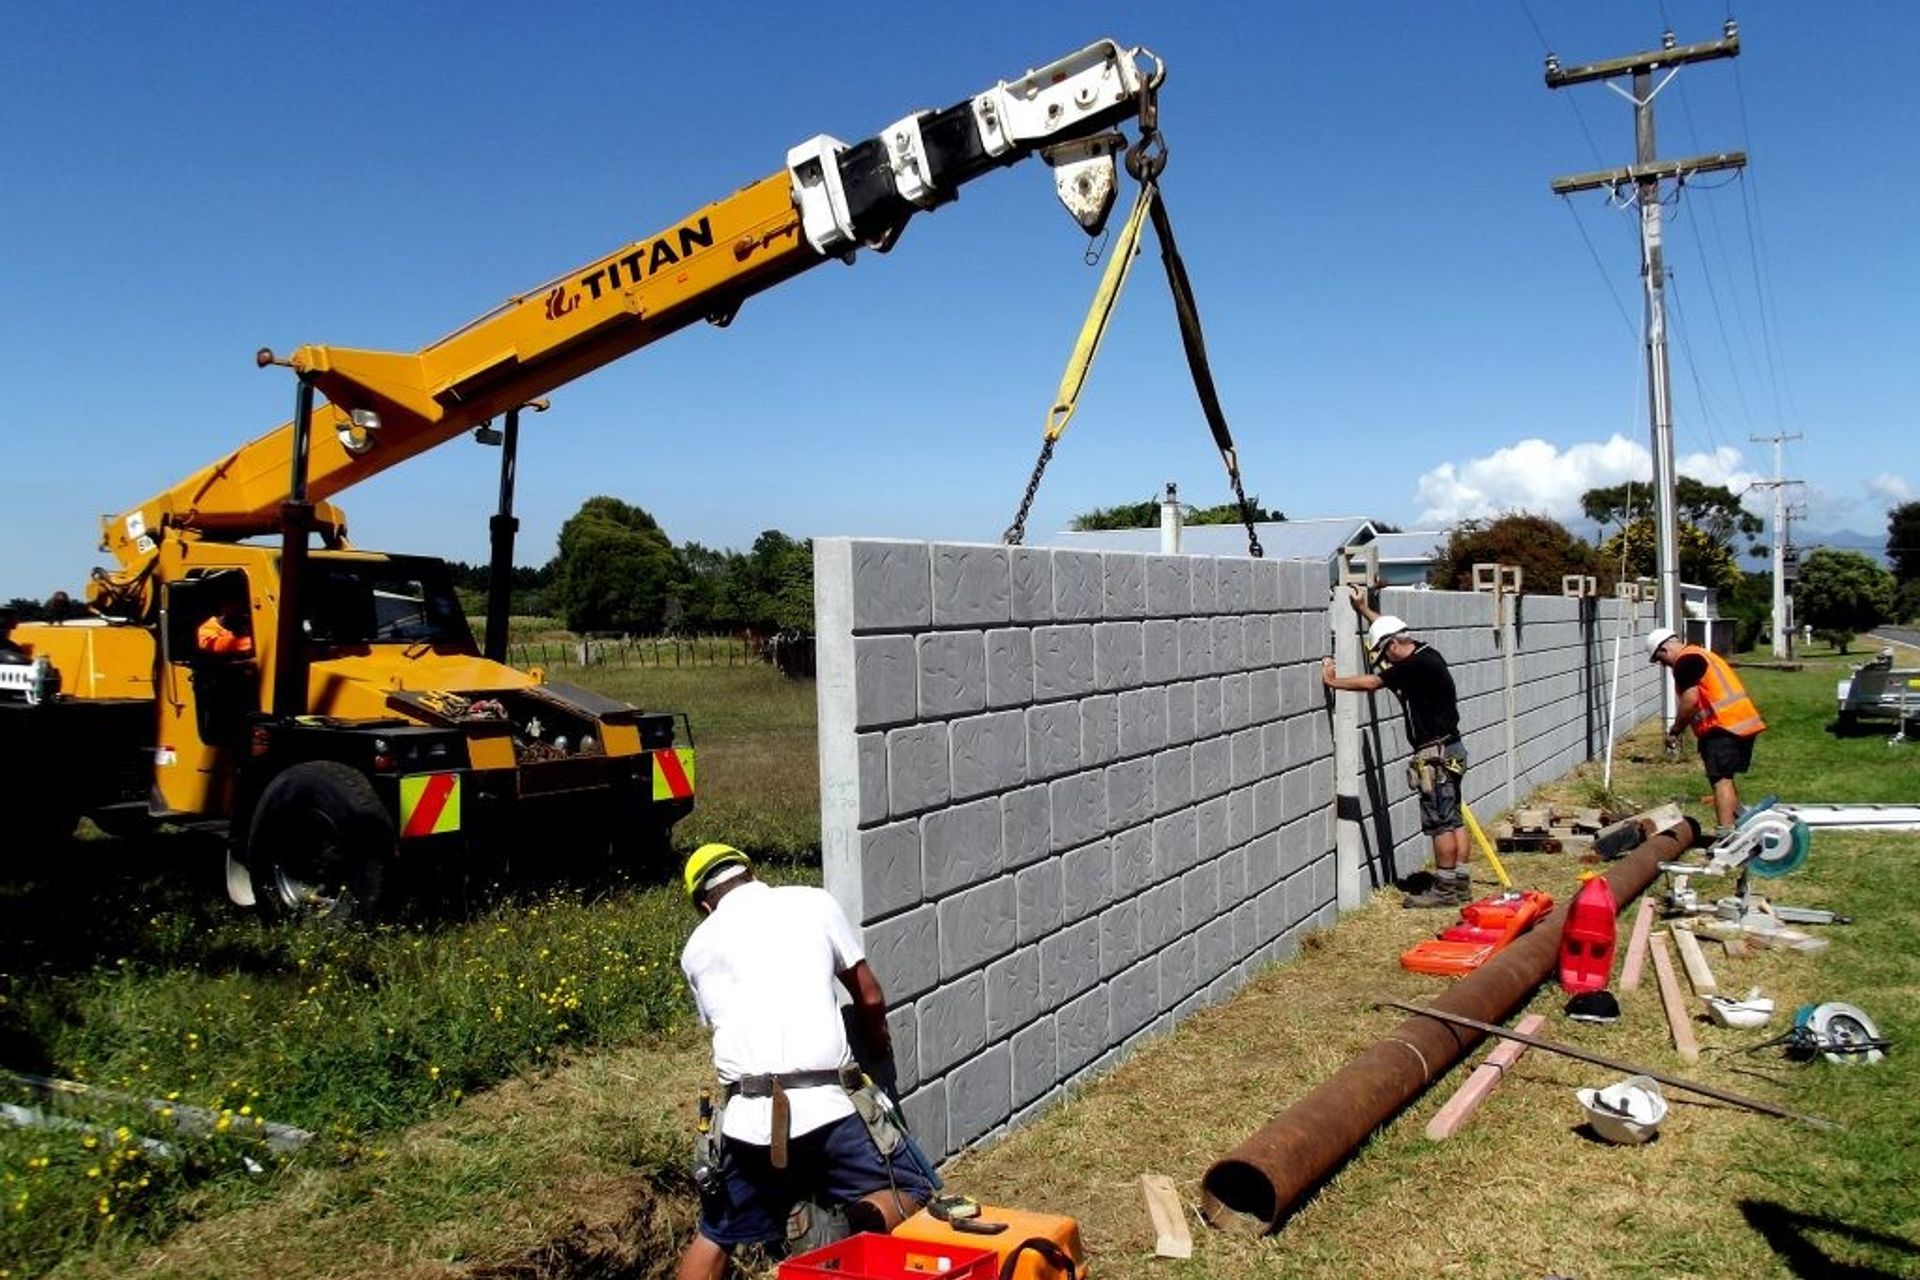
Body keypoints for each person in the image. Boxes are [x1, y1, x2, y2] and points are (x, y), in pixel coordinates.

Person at [676, 843, 930, 1279]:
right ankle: (841, 1228)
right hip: (828, 1105)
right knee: (912, 1188)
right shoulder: (814, 902)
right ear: (752, 873)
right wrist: (879, 1043)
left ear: (704, 904)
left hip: (746, 1118)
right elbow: (868, 994)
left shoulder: (694, 949)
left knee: (716, 1234)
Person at [1322, 586, 1470, 908]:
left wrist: (1334, 682)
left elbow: (1372, 683)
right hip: (1453, 749)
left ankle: (1445, 890)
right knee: (1455, 818)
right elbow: (1388, 630)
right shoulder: (1426, 652)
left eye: (1383, 653)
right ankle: (1460, 883)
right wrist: (1365, 610)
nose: (1384, 661)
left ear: (1393, 646)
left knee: (1440, 822)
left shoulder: (1414, 666)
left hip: (1435, 757)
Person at [1647, 627, 1765, 837]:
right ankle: (1741, 829)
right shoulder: (1701, 654)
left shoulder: (1685, 662)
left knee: (1721, 780)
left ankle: (1727, 838)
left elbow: (1691, 701)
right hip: (1740, 722)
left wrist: (1675, 730)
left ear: (1664, 649)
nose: (1663, 665)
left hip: (1723, 726)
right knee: (1724, 778)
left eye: (1660, 659)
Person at [197, 592, 254, 656]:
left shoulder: (251, 618)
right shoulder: (207, 629)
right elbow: (214, 645)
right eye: (232, 602)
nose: (238, 606)